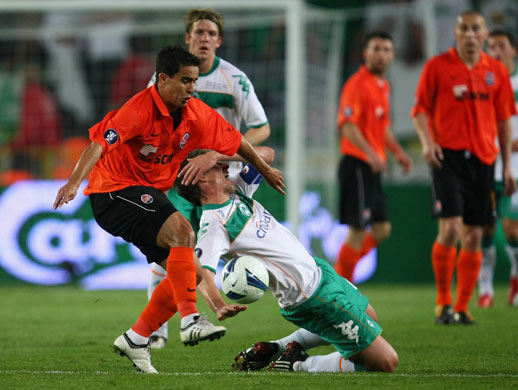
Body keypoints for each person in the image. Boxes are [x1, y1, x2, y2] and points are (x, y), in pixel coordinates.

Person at [52, 45, 285, 374]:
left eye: (195, 82)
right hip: (113, 191)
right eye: (185, 81)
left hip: (145, 193)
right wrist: (74, 182)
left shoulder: (196, 114)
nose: (192, 88)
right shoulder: (139, 109)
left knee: (185, 272)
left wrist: (265, 168)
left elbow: (237, 142)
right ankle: (190, 320)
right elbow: (99, 144)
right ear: (163, 79)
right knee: (183, 232)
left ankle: (137, 338)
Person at [176, 149, 399, 374]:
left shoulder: (238, 191)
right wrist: (218, 305)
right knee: (386, 362)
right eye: (217, 166)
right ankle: (298, 364)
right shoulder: (214, 225)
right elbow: (201, 274)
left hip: (320, 272)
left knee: (369, 315)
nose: (225, 166)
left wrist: (214, 156)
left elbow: (267, 155)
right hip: (312, 298)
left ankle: (281, 347)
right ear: (202, 178)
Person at [146, 8, 271, 349]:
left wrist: (225, 151)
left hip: (220, 179)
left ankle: (212, 305)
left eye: (211, 33)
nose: (205, 38)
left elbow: (261, 128)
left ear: (219, 40)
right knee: (172, 248)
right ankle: (156, 330)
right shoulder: (165, 77)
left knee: (201, 253)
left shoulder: (235, 80)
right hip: (178, 178)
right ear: (188, 38)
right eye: (199, 32)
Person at [411, 12, 517, 325]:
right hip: (448, 158)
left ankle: (462, 306)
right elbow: (419, 111)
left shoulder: (495, 71)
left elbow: (503, 122)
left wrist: (507, 167)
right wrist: (428, 143)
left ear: (484, 35)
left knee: (473, 235)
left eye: (475, 29)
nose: (470, 34)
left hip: (485, 160)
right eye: (464, 29)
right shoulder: (437, 67)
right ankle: (443, 301)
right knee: (452, 229)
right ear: (455, 34)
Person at [334, 31, 412, 283]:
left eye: (386, 49)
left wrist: (398, 153)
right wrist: (371, 154)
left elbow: (383, 127)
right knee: (357, 230)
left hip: (373, 167)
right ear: (365, 53)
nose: (381, 54)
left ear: (393, 55)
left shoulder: (383, 86)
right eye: (376, 48)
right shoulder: (356, 84)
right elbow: (347, 125)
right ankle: (342, 290)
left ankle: (340, 277)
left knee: (381, 230)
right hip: (357, 164)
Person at [478, 30, 518, 308]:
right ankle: (486, 288)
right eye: (490, 46)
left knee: (513, 230)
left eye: (501, 46)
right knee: (484, 230)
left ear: (513, 50)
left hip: (515, 166)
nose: (495, 50)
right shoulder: (483, 83)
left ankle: (515, 279)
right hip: (485, 165)